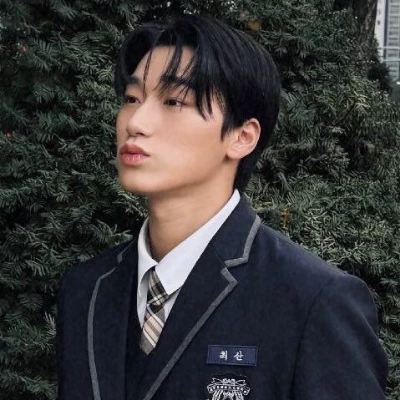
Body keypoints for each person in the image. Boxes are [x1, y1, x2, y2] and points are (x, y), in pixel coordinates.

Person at [57, 14, 388, 400]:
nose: (137, 122)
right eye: (132, 99)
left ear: (242, 137)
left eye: (173, 101)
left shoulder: (313, 301)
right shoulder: (86, 290)